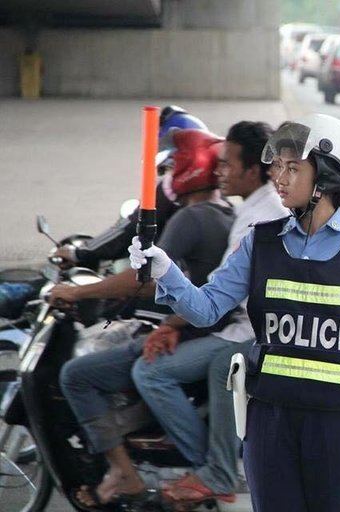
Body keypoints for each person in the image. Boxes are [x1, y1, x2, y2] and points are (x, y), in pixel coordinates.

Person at [128, 113, 340, 511]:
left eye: (294, 167)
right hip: (271, 422)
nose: (280, 178)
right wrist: (166, 270)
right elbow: (206, 309)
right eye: (278, 166)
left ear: (327, 176)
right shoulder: (261, 243)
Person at [52, 129, 234, 508]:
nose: (167, 177)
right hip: (200, 329)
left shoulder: (191, 217)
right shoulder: (226, 214)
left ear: (186, 169)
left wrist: (78, 291)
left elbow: (144, 276)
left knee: (77, 376)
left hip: (190, 335)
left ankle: (126, 472)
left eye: (172, 167)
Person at [130, 121, 289, 506]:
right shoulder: (252, 209)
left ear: (254, 169)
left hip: (251, 331)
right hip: (243, 323)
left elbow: (220, 297)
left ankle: (214, 468)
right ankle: (213, 466)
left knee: (172, 370)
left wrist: (169, 308)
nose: (219, 171)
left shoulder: (258, 218)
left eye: (227, 164)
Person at [52, 106, 208, 269]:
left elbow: (129, 229)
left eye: (170, 166)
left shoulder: (172, 192)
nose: (167, 174)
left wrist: (79, 252)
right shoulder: (218, 196)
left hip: (172, 281)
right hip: (193, 278)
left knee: (120, 271)